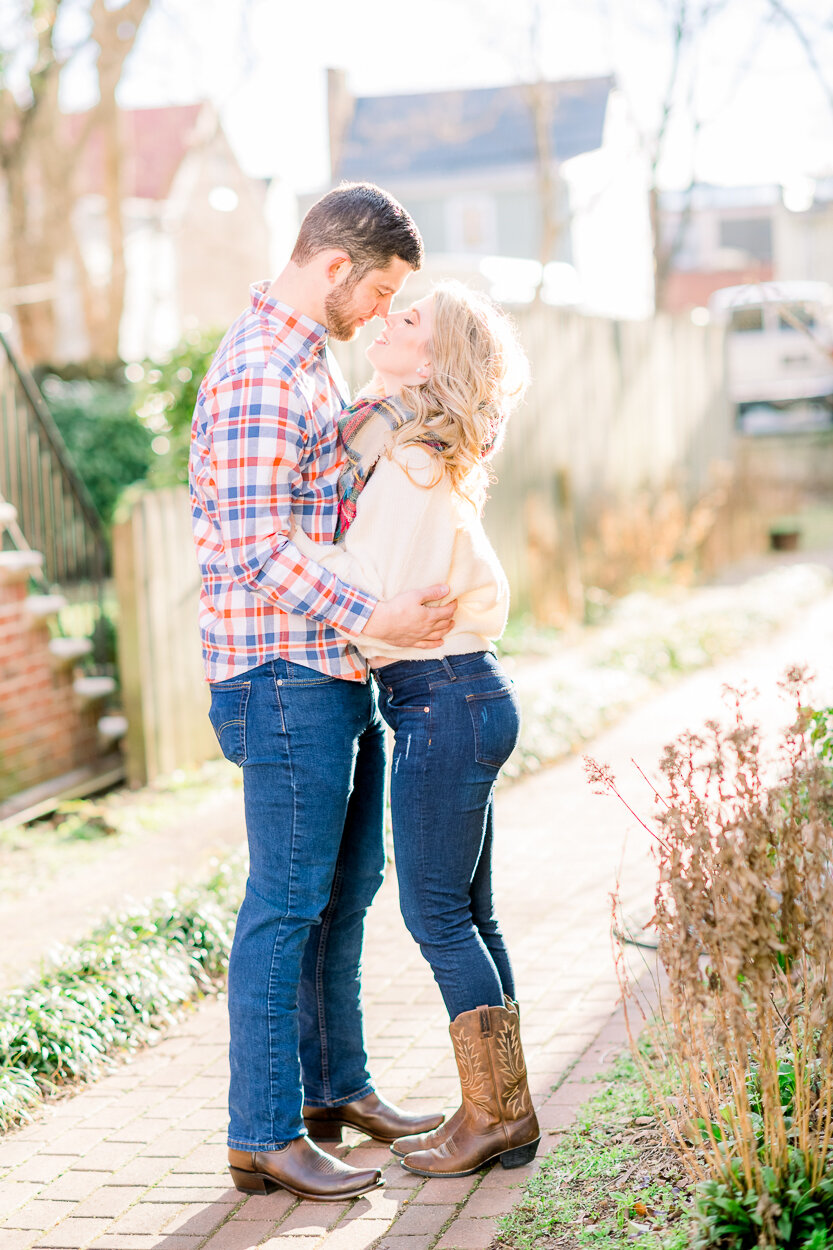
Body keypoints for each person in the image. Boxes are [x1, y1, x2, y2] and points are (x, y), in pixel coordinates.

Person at [189, 183, 456, 1203]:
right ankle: (261, 1131)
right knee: (286, 904)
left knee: (343, 894)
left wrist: (394, 405)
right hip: (281, 673)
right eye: (380, 289)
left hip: (324, 666)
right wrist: (376, 609)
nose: (383, 311)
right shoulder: (261, 369)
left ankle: (333, 1090)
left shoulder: (306, 363)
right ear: (335, 267)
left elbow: (318, 481)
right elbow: (258, 546)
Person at [291, 281, 541, 1178]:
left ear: (432, 362)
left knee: (435, 914)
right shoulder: (414, 451)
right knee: (468, 914)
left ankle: (495, 1118)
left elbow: (371, 597)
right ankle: (501, 1111)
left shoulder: (410, 465)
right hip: (459, 696)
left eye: (408, 319)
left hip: (441, 698)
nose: (385, 319)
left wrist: (276, 549)